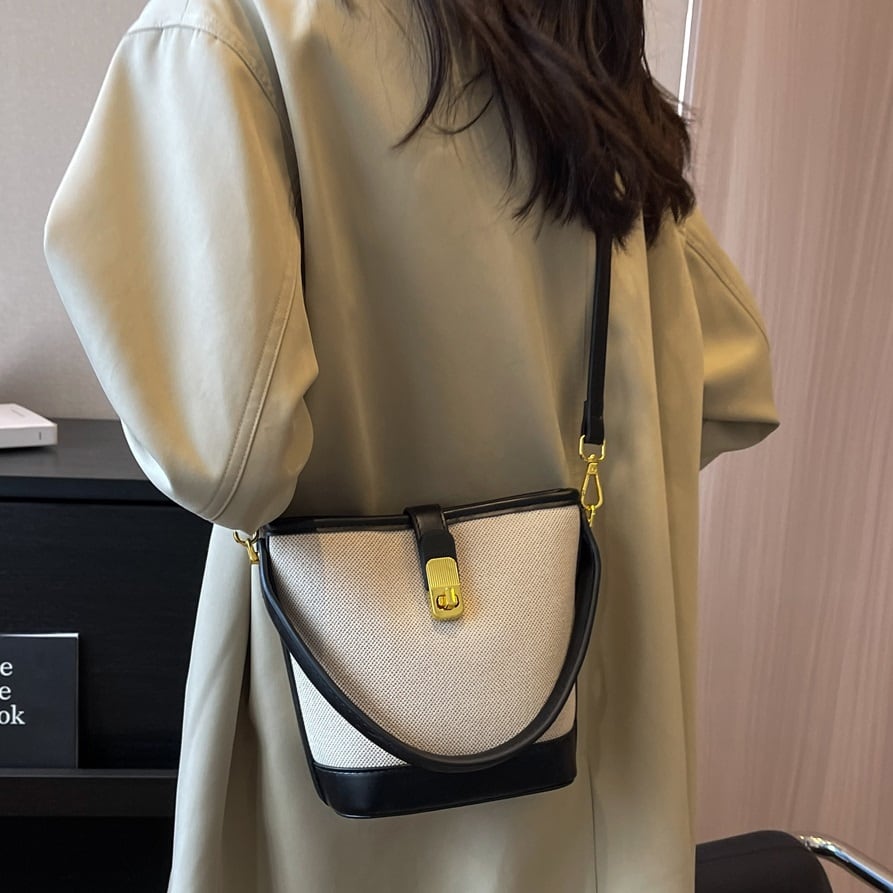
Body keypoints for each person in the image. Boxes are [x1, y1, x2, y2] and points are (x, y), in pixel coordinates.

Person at [43, 0, 779, 890]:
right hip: (592, 767)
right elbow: (729, 386)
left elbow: (229, 456)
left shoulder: (243, 25)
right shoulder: (578, 45)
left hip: (334, 765)